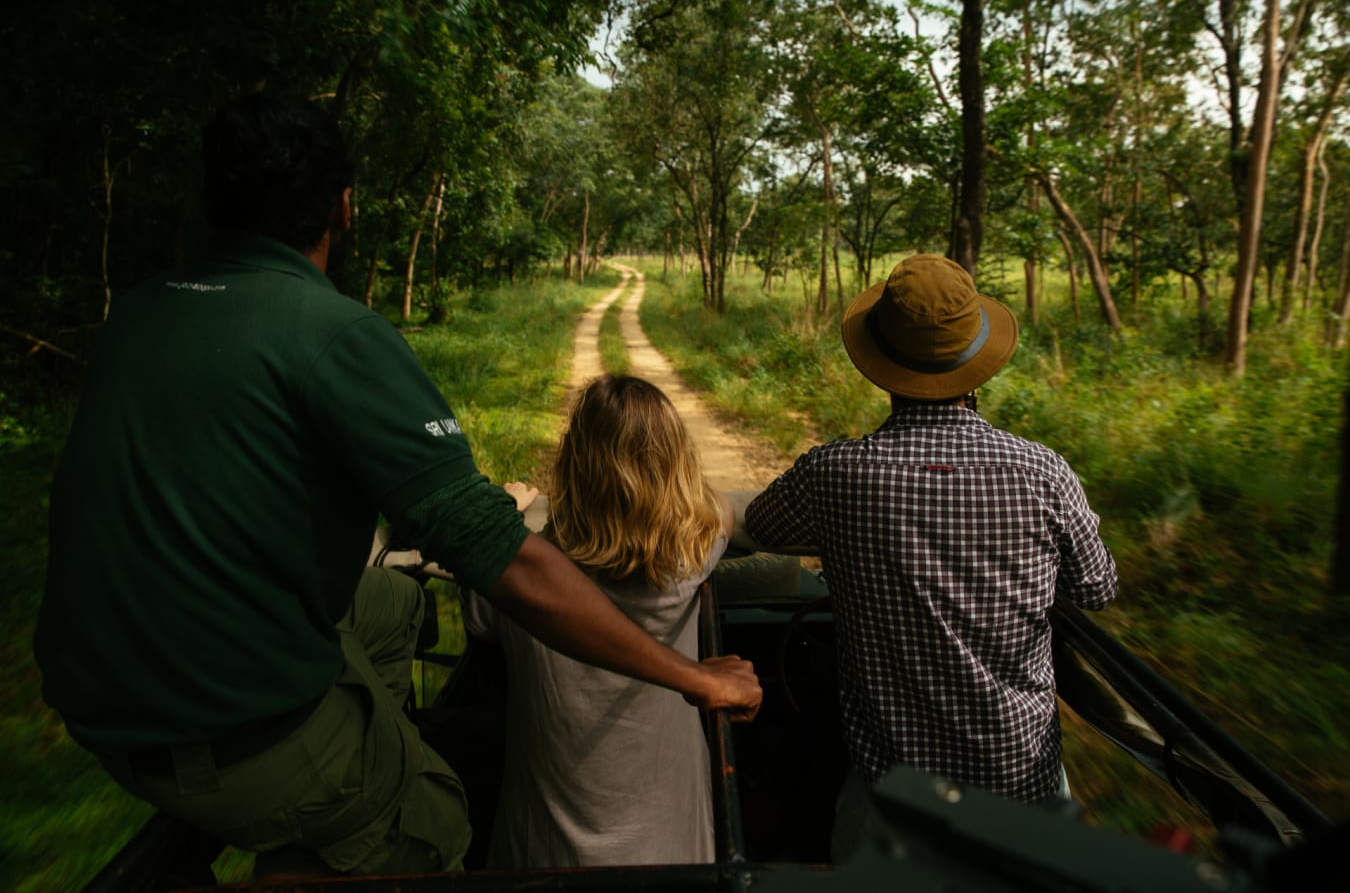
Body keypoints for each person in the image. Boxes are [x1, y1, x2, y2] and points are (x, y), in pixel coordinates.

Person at [33, 91, 760, 880]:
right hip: (228, 729)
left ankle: (356, 755)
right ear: (343, 207)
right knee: (433, 822)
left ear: (211, 202)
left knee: (392, 606)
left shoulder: (138, 313)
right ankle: (334, 824)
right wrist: (694, 676)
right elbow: (505, 565)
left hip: (94, 697)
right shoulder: (335, 332)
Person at [743, 254, 1117, 847]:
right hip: (1022, 784)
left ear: (882, 366)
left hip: (894, 792)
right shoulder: (1043, 472)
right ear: (977, 364)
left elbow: (761, 525)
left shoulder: (835, 474)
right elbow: (1097, 587)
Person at [461, 375, 733, 868]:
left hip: (542, 858)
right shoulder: (692, 559)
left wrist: (508, 514)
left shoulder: (518, 583)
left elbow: (480, 614)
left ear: (571, 467)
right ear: (677, 467)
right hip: (673, 854)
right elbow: (720, 510)